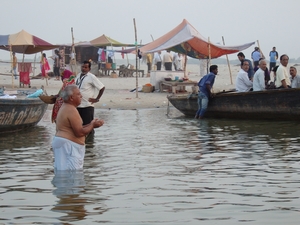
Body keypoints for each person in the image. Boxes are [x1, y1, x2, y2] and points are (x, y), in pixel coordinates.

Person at [52, 84, 104, 170]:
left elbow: (76, 128)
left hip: (63, 144)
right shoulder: (71, 109)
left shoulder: (65, 107)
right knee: (72, 177)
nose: (81, 96)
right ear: (71, 98)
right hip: (68, 147)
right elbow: (79, 132)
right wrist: (92, 125)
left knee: (64, 175)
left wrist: (92, 124)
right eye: (79, 94)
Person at [75, 60, 105, 127]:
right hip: (78, 105)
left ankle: (90, 137)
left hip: (87, 106)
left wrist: (97, 99)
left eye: (86, 67)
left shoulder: (91, 77)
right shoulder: (78, 75)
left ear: (89, 69)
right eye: (82, 67)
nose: (83, 68)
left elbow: (102, 87)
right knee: (78, 126)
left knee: (88, 126)